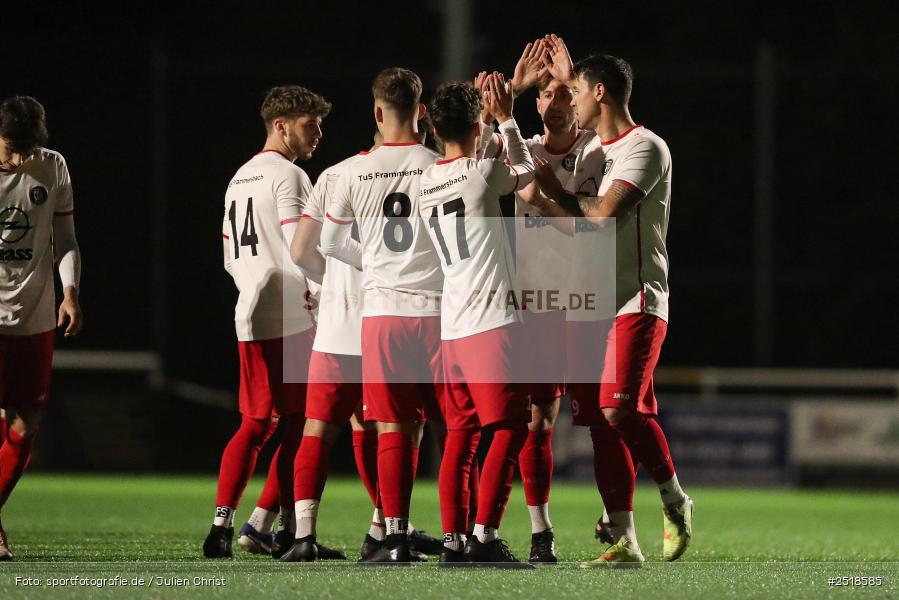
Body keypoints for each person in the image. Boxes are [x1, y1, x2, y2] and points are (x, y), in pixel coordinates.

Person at [523, 35, 693, 568]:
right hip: (586, 302)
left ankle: (674, 498)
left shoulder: (645, 146)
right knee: (599, 422)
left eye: (576, 91)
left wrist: (549, 184)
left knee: (618, 407)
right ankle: (624, 541)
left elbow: (601, 218)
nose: (569, 100)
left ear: (599, 92)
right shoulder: (594, 151)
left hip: (636, 297)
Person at [203, 85, 342, 560]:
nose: (318, 133)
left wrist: (252, 285)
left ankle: (225, 524)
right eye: (309, 124)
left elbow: (228, 256)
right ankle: (283, 529)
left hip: (249, 310)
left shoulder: (239, 178)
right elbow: (298, 246)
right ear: (281, 126)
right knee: (304, 424)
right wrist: (324, 299)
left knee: (258, 422)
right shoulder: (291, 175)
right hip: (289, 314)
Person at [319, 68, 445, 564]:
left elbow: (330, 243)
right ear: (422, 113)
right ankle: (462, 535)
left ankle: (392, 536)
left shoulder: (352, 170)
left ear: (376, 112)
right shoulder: (439, 165)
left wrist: (374, 262)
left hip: (381, 315)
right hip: (436, 311)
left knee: (391, 427)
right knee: (447, 426)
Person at [420, 74, 536, 568]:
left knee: (462, 437)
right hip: (490, 321)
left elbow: (476, 155)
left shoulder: (427, 179)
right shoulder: (479, 174)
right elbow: (525, 170)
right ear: (475, 124)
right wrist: (507, 115)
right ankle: (485, 537)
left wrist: (487, 116)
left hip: (452, 327)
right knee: (510, 429)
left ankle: (453, 541)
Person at [0, 96, 83, 562]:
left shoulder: (53, 167)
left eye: (27, 148)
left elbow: (66, 239)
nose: (19, 159)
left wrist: (70, 292)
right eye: (12, 149)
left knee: (25, 424)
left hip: (34, 316)